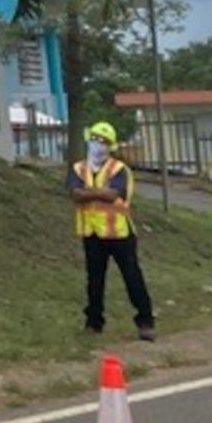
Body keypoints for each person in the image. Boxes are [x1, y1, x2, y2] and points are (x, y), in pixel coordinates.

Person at [69, 121, 155, 340]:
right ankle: (93, 323)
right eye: (95, 139)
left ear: (111, 146)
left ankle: (145, 321)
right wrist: (99, 192)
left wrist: (89, 192)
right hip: (92, 234)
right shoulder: (79, 168)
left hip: (120, 234)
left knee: (132, 277)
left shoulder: (119, 169)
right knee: (94, 280)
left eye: (104, 142)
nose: (98, 145)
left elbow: (113, 194)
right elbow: (75, 194)